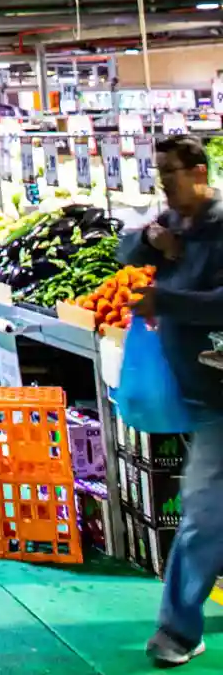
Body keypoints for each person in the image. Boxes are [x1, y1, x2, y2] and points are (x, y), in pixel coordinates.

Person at [119, 136, 223, 666]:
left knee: (204, 512)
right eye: (158, 172)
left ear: (199, 171)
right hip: (199, 388)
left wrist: (166, 298)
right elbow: (124, 248)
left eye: (171, 172)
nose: (164, 182)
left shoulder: (220, 225)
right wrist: (151, 244)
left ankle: (178, 629)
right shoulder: (176, 221)